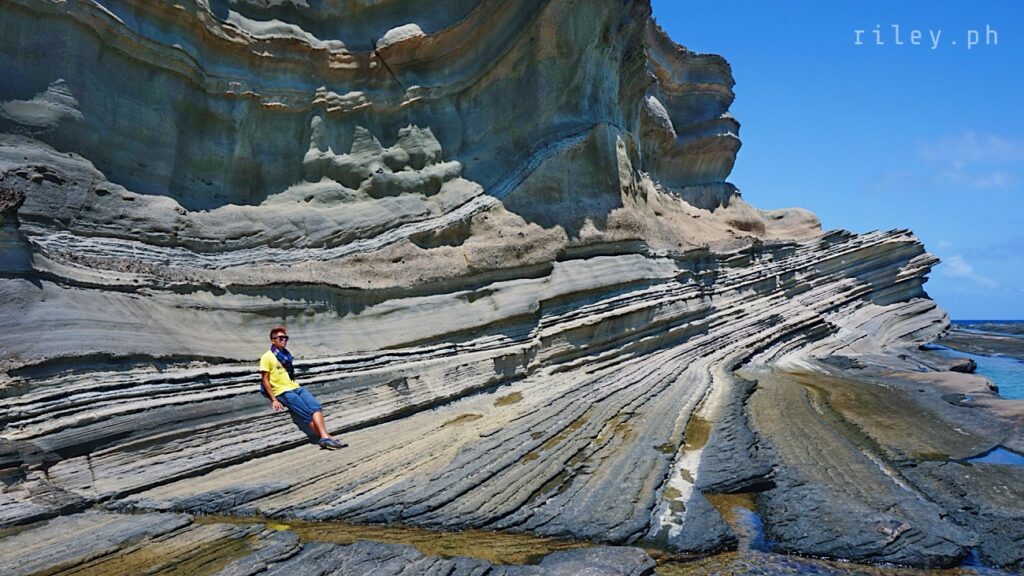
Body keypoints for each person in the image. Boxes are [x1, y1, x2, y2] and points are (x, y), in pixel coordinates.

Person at [259, 326, 347, 450]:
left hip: (295, 387)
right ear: (273, 340)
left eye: (285, 337)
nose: (284, 340)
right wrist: (274, 399)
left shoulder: (286, 355)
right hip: (283, 391)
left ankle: (325, 437)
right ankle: (327, 437)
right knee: (306, 414)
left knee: (316, 407)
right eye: (280, 338)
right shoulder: (267, 356)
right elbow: (265, 380)